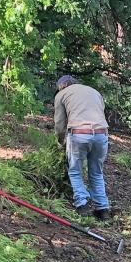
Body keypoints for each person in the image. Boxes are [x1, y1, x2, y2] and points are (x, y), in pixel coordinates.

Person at [53, 75, 111, 220]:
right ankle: (102, 209)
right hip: (101, 134)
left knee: (75, 171)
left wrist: (60, 142)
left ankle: (82, 205)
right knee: (97, 173)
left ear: (61, 86)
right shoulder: (94, 91)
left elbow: (60, 124)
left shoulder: (61, 95)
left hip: (78, 134)